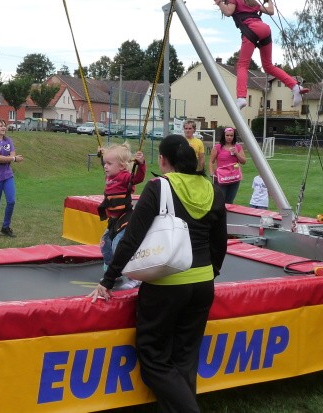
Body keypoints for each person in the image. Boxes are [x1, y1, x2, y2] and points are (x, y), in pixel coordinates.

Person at [88, 135, 227, 413]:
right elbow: (219, 242)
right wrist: (210, 273)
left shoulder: (159, 187)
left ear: (163, 160)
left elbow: (132, 238)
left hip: (167, 284)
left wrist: (107, 279)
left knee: (153, 359)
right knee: (185, 358)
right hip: (202, 284)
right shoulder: (212, 188)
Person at [211, 0, 308, 111]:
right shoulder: (250, 1)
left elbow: (228, 12)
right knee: (268, 66)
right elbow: (271, 11)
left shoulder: (232, 0)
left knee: (242, 65)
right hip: (265, 30)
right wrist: (270, 1)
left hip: (251, 30)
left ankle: (241, 97)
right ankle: (295, 87)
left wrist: (218, 1)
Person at [97, 142, 146, 289]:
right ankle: (115, 272)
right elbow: (107, 162)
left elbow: (138, 178)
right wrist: (102, 154)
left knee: (119, 245)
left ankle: (135, 277)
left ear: (122, 166)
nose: (105, 166)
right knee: (105, 244)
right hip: (113, 219)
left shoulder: (125, 177)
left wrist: (141, 164)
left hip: (125, 217)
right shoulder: (109, 176)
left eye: (109, 164)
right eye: (104, 163)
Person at [0, 119, 23, 237]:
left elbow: (11, 155)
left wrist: (10, 158)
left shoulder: (8, 141)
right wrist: (12, 158)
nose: (3, 128)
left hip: (8, 176)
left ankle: (5, 227)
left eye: (4, 126)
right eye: (1, 126)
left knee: (11, 201)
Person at [209, 127, 246, 204]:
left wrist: (236, 153)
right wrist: (212, 173)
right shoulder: (217, 147)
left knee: (229, 202)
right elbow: (211, 161)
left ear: (234, 136)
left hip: (234, 178)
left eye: (231, 135)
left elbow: (243, 162)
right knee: (219, 201)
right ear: (224, 136)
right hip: (220, 179)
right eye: (227, 135)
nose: (229, 137)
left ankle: (228, 216)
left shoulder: (238, 147)